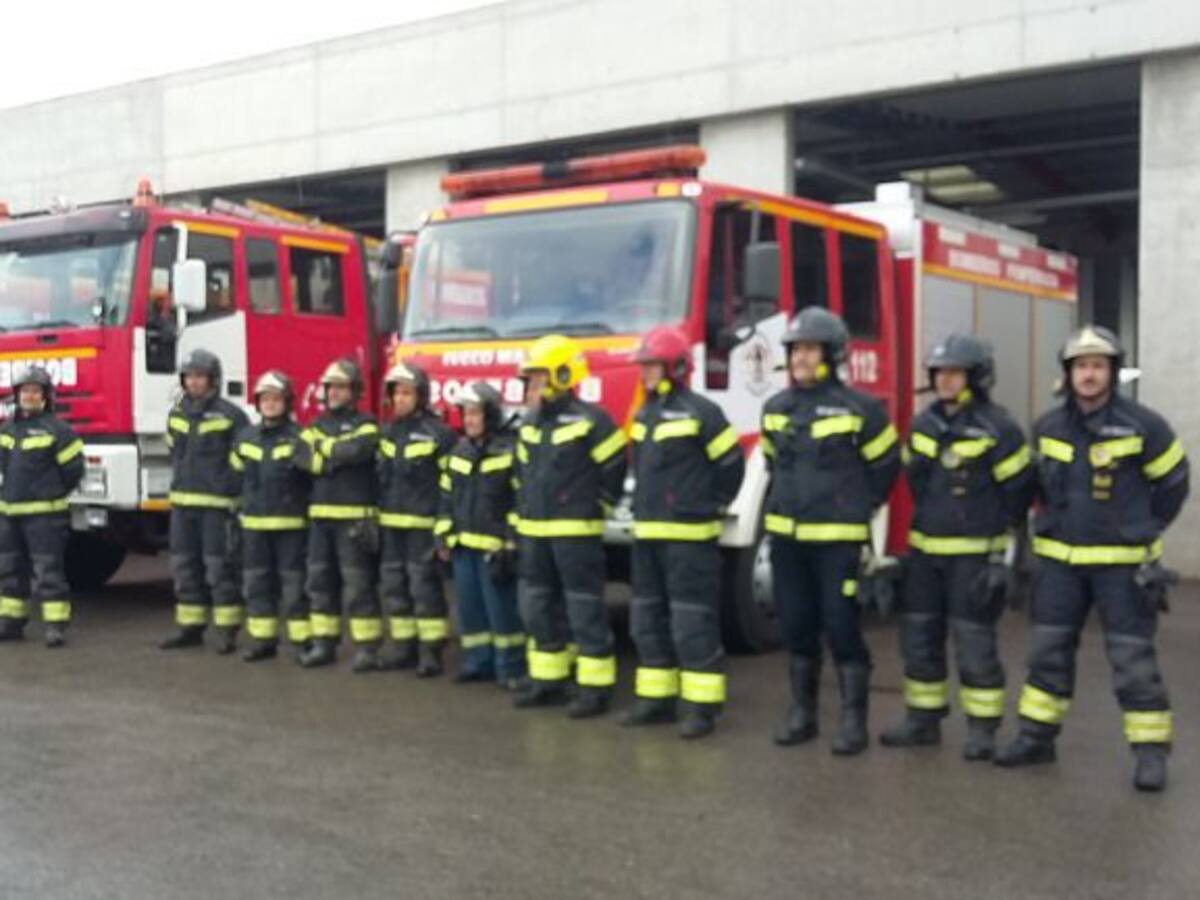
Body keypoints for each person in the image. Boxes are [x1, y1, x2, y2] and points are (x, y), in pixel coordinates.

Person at [995, 326, 1189, 792]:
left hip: (1123, 567)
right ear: (1068, 373)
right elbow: (1034, 488)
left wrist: (1145, 529)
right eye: (1081, 366)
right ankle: (1036, 738)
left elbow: (1174, 483)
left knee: (1132, 659)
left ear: (1112, 373)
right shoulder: (1048, 427)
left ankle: (1149, 754)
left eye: (1098, 366)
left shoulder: (1146, 426)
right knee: (1047, 655)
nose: (1088, 374)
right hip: (1060, 564)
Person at [879, 334, 1033, 760]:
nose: (944, 381)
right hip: (926, 554)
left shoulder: (1000, 429)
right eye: (940, 373)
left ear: (977, 377)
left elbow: (1018, 497)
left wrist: (1005, 560)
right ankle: (922, 720)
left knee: (974, 644)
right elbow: (918, 482)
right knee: (920, 639)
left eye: (954, 373)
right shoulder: (924, 424)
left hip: (973, 556)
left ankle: (983, 728)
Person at [762, 308, 900, 755]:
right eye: (795, 349)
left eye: (808, 348)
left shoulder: (861, 409)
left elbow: (885, 466)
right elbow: (771, 464)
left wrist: (856, 507)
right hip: (787, 541)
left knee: (841, 625)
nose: (799, 357)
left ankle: (853, 720)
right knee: (797, 625)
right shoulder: (775, 409)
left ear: (832, 353)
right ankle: (802, 713)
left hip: (837, 543)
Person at [624, 326, 745, 739]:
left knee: (691, 623)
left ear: (676, 367)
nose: (645, 373)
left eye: (651, 365)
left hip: (690, 538)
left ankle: (701, 708)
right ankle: (656, 699)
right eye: (643, 366)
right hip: (648, 536)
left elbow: (731, 466)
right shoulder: (644, 415)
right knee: (647, 619)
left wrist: (708, 506)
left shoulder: (703, 412)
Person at [512, 335, 628, 718]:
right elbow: (520, 474)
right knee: (538, 607)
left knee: (584, 608)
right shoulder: (529, 423)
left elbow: (614, 467)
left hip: (575, 533)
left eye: (537, 378)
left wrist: (600, 505)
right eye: (529, 379)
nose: (530, 386)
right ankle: (549, 680)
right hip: (535, 533)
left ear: (562, 375)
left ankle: (595, 688)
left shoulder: (591, 420)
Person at [436, 381, 526, 690]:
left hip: (494, 549)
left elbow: (519, 501)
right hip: (463, 547)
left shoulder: (509, 451)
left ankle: (510, 670)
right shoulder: (459, 452)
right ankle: (477, 662)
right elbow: (446, 498)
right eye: (466, 413)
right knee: (471, 611)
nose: (469, 420)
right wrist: (443, 535)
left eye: (475, 413)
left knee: (503, 615)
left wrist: (510, 541)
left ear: (490, 414)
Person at [294, 358, 382, 672]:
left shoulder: (367, 423)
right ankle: (323, 644)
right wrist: (331, 457)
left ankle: (367, 648)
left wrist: (325, 449)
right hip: (320, 520)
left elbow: (357, 451)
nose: (334, 392)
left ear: (355, 391)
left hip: (354, 520)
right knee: (319, 583)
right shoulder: (315, 425)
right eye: (330, 387)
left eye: (341, 387)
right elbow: (302, 458)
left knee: (358, 585)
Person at [160, 349, 249, 654]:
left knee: (219, 568)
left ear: (213, 380)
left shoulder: (230, 416)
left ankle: (227, 631)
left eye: (200, 376)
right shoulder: (178, 413)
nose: (194, 382)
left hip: (217, 506)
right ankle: (190, 627)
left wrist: (228, 486)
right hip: (183, 505)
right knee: (185, 567)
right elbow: (174, 449)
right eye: (189, 377)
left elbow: (243, 457)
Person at [378, 361, 455, 676]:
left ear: (421, 396)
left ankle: (431, 652)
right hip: (391, 527)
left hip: (423, 527)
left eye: (407, 393)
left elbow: (450, 487)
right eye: (396, 393)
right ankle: (403, 647)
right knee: (395, 589)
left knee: (425, 590)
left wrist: (444, 528)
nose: (400, 399)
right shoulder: (387, 433)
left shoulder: (440, 435)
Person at [0, 366, 84, 647]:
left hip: (45, 516)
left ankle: (55, 626)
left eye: (35, 391)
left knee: (48, 570)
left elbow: (73, 470)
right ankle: (11, 623)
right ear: (17, 395)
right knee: (9, 570)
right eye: (25, 391)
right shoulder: (8, 430)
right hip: (10, 514)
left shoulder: (59, 430)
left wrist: (51, 493)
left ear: (46, 396)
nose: (29, 396)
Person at [232, 370, 312, 663]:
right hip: (253, 525)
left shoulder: (299, 438)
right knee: (257, 583)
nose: (269, 404)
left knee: (294, 586)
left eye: (276, 398)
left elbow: (310, 479)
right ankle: (262, 640)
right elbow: (235, 475)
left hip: (291, 525)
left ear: (287, 402)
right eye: (264, 398)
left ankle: (303, 641)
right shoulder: (246, 438)